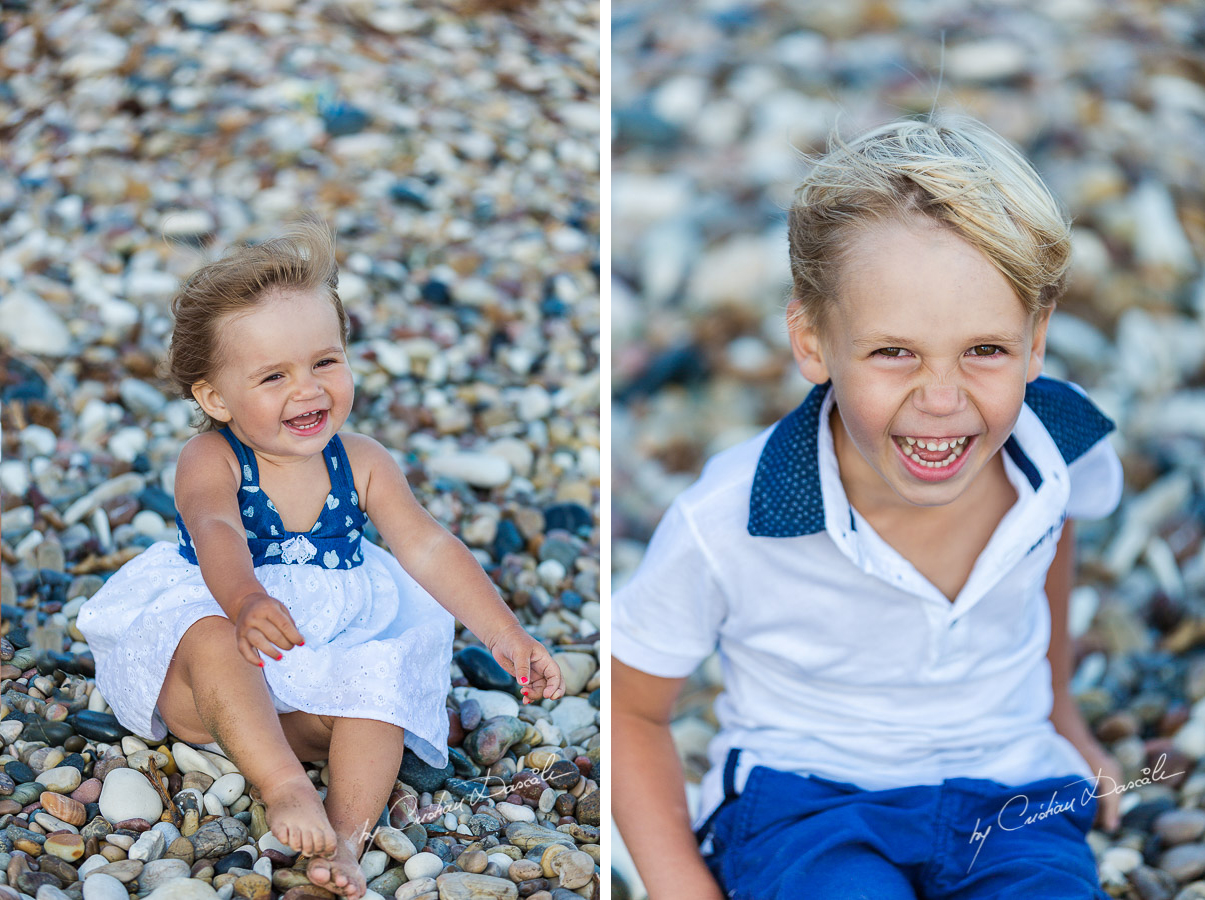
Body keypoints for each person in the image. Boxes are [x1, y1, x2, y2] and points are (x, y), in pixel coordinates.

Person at [612, 115, 1124, 900]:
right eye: (894, 352)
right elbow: (629, 709)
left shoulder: (1065, 439)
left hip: (1013, 789)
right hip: (806, 803)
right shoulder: (728, 517)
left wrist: (1061, 712)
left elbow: (1050, 537)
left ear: (1035, 339)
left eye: (985, 350)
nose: (943, 399)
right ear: (812, 340)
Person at [78, 218, 565, 899]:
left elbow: (425, 543)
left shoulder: (361, 461)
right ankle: (282, 787)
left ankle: (345, 836)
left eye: (325, 362)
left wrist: (506, 634)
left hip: (317, 679)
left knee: (381, 681)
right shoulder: (212, 458)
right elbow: (215, 528)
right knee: (211, 635)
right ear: (215, 398)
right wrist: (246, 600)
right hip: (219, 678)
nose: (307, 391)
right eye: (273, 376)